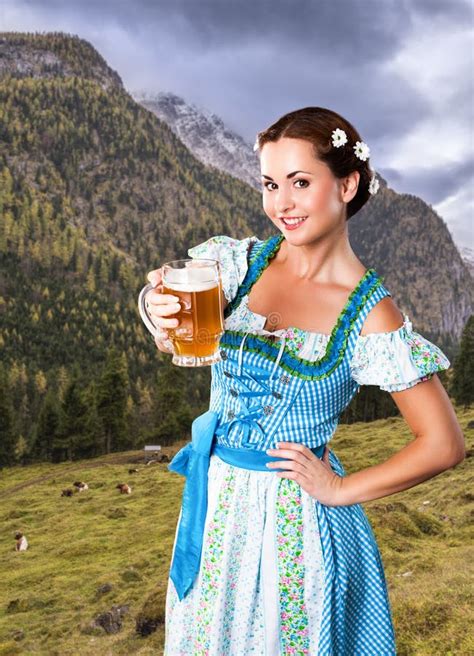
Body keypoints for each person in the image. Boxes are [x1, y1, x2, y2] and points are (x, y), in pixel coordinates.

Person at [145, 107, 465, 655]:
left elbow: (444, 444)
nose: (281, 204)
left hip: (294, 522)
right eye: (271, 184)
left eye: (300, 183)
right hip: (214, 503)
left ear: (347, 184)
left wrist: (340, 489)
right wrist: (156, 309)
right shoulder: (240, 265)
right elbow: (165, 319)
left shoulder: (370, 314)